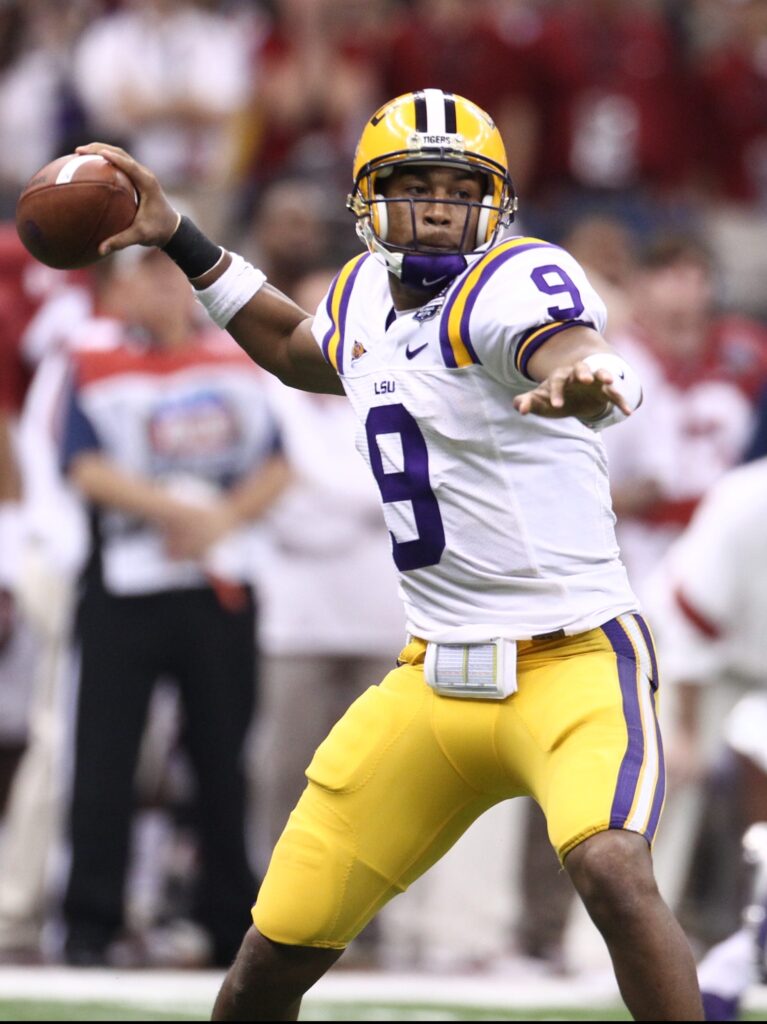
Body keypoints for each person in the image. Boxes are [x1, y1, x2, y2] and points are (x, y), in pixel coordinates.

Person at [77, 88, 703, 1020]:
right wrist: (181, 236)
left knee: (611, 863)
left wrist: (583, 379)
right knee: (269, 957)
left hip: (573, 657)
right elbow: (296, 348)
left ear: (495, 200)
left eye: (460, 185)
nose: (441, 203)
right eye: (415, 183)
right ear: (368, 197)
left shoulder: (514, 280)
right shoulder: (364, 292)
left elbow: (565, 349)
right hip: (432, 677)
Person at [58, 247, 289, 968]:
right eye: (147, 275)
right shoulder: (94, 363)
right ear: (120, 291)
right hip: (128, 582)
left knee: (224, 757)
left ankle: (229, 922)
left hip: (218, 583)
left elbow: (278, 464)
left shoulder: (234, 360)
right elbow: (83, 465)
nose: (163, 288)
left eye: (171, 274)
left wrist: (219, 517)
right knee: (105, 756)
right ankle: (90, 924)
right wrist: (173, 509)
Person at [641, 457, 767, 1020]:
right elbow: (693, 617)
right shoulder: (747, 499)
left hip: (754, 664)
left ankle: (750, 943)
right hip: (682, 653)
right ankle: (613, 950)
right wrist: (684, 730)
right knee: (660, 792)